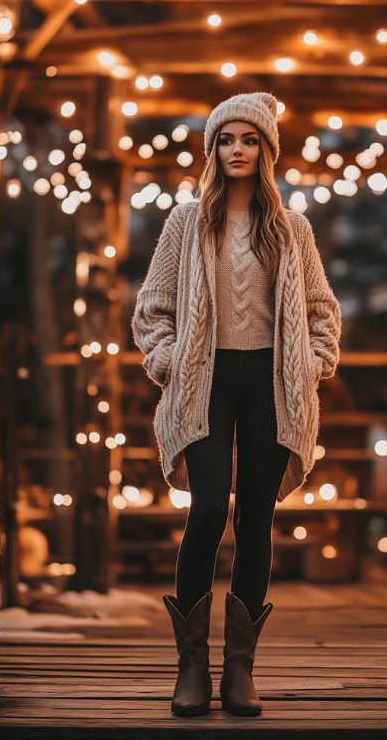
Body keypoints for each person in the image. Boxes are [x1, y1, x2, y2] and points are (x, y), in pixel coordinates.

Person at [131, 91, 341, 718]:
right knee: (205, 513)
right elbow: (152, 309)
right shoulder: (186, 222)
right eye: (227, 140)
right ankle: (190, 665)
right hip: (206, 382)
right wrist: (169, 361)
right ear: (212, 149)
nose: (237, 150)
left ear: (267, 151)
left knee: (255, 519)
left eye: (250, 140)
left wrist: (313, 361)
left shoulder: (291, 228)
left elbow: (322, 312)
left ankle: (239, 670)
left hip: (272, 384)